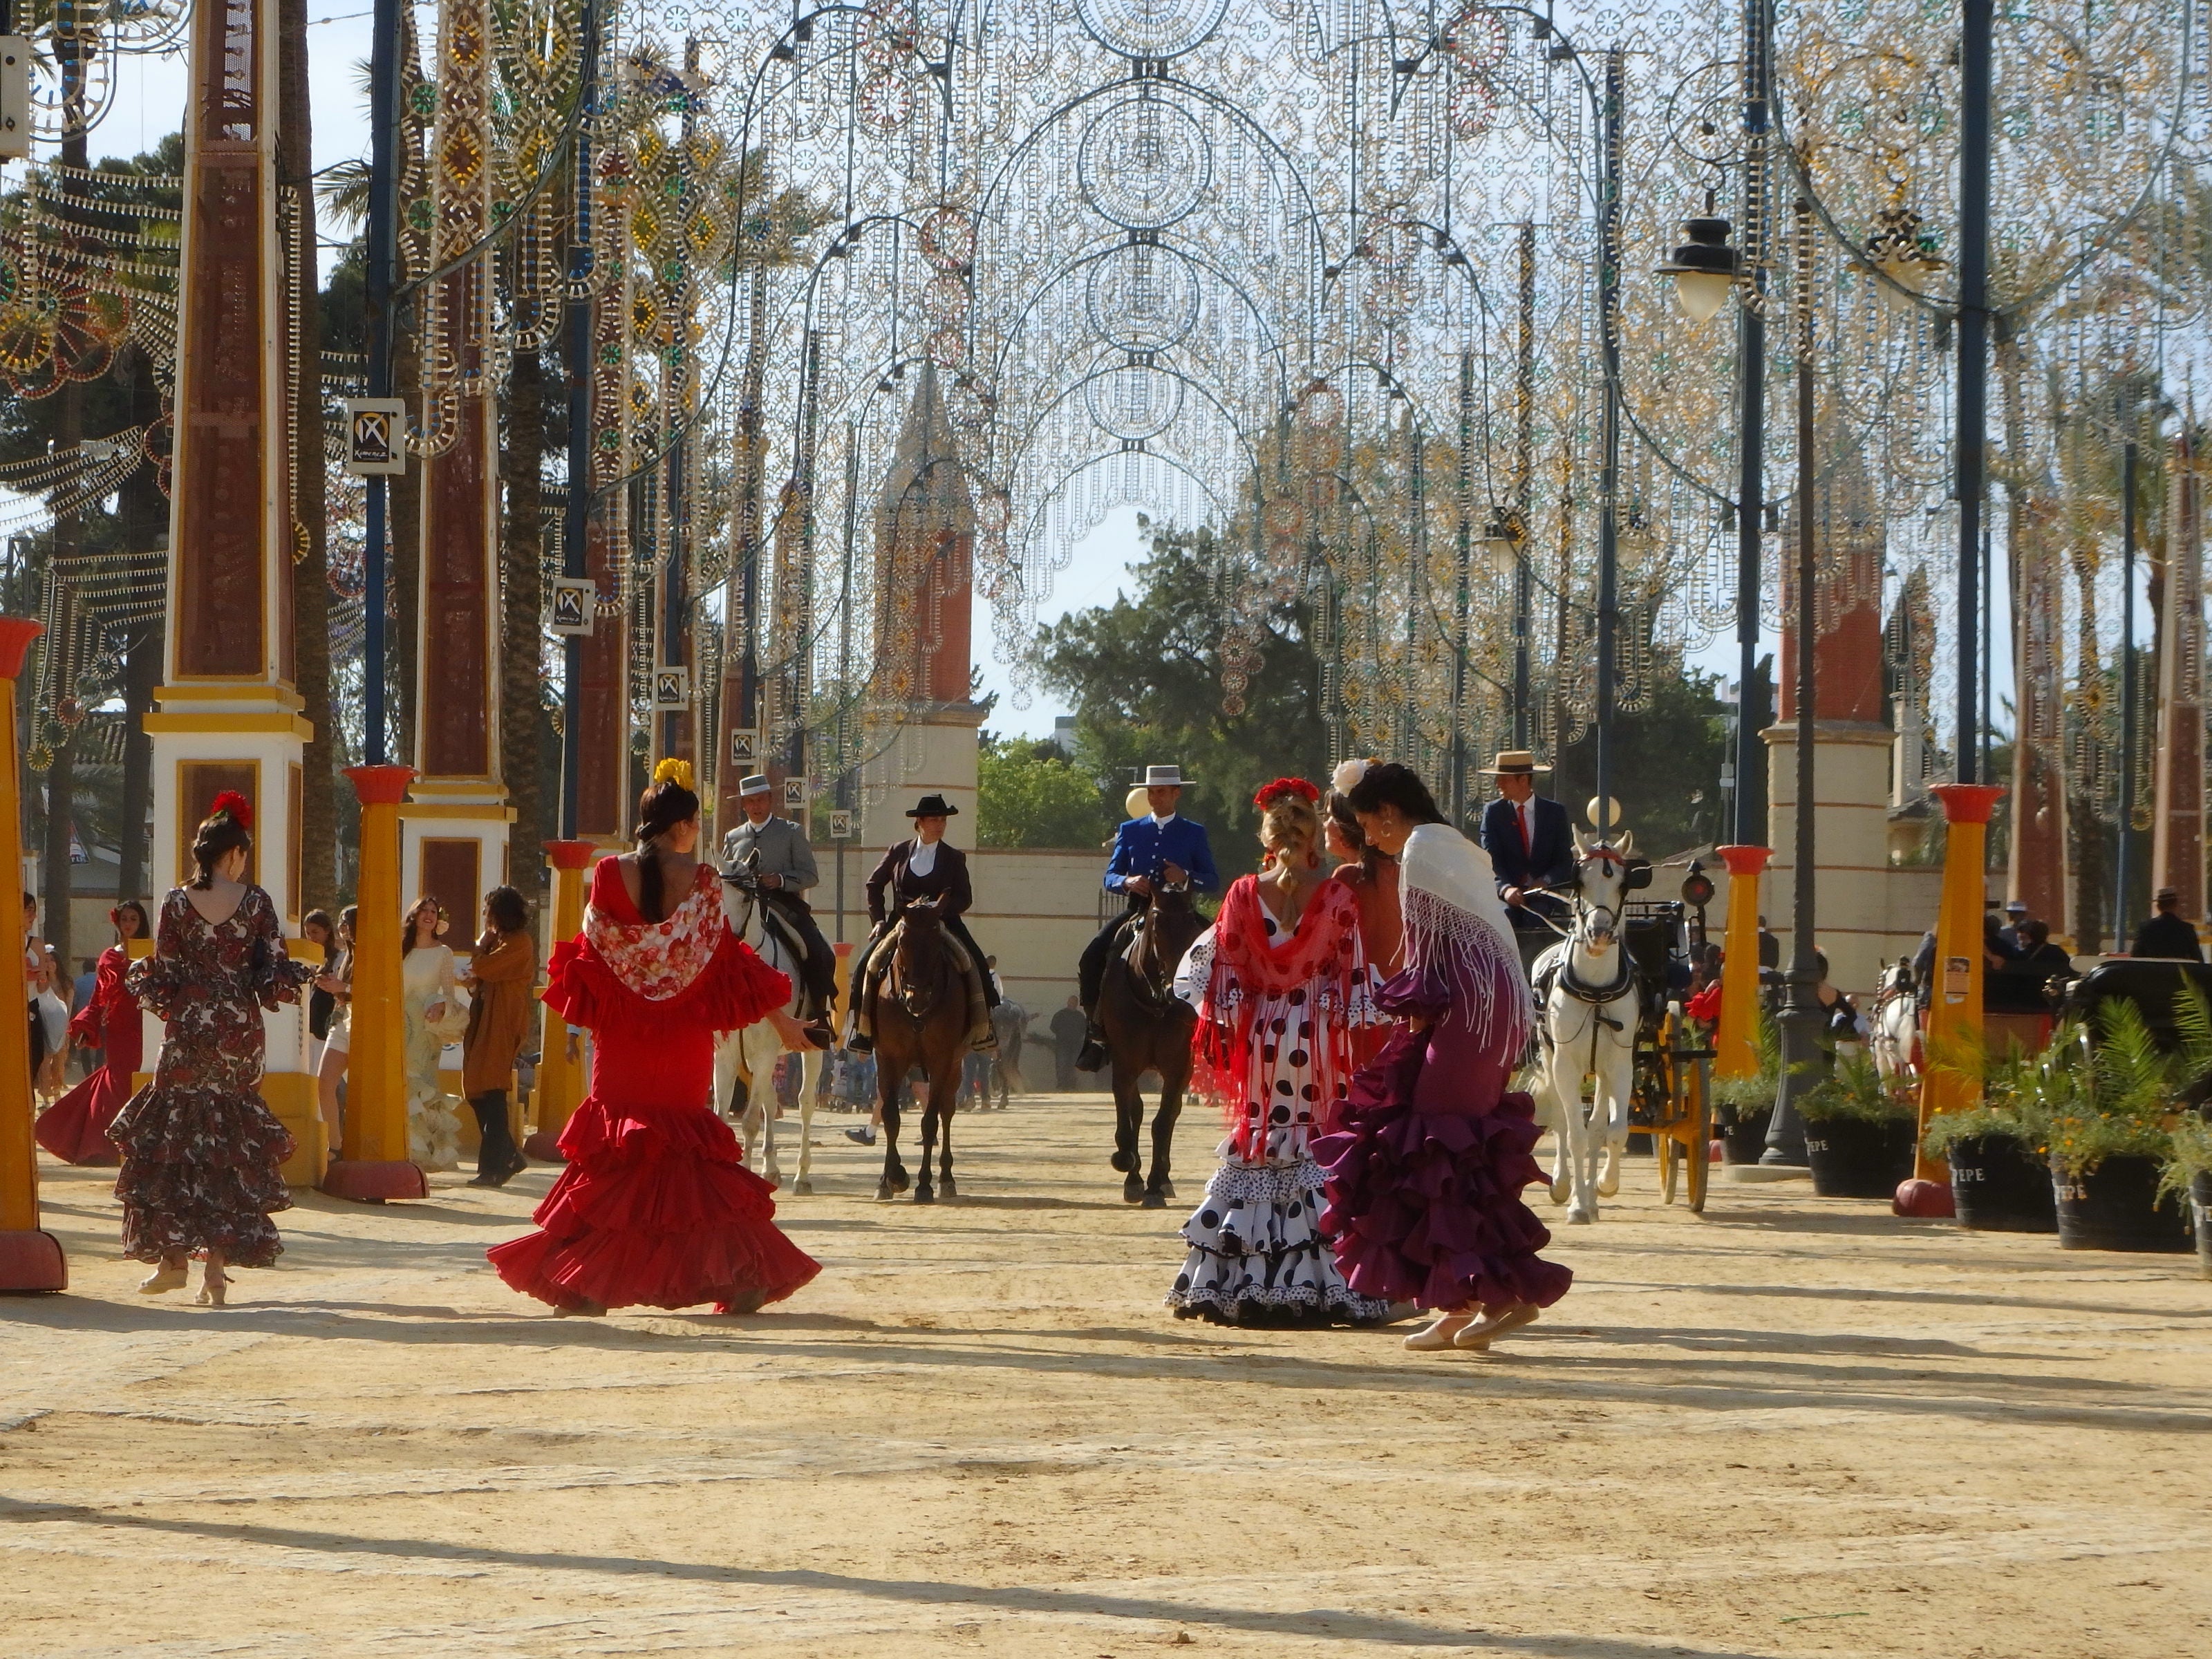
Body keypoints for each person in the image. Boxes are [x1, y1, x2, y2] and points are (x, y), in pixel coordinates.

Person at [488, 759, 822, 1316]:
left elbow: (592, 955)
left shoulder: (608, 874)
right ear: (686, 826)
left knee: (615, 1154)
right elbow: (725, 960)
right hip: (685, 1036)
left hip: (624, 1036)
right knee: (689, 1158)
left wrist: (585, 1021)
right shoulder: (706, 883)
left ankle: (584, 1280)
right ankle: (738, 1275)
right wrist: (785, 1022)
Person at [1315, 760, 1572, 1353]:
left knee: (1436, 1149)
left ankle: (1492, 1297)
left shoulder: (1420, 854)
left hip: (1469, 1013)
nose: (1369, 839)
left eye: (1369, 827)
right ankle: (1465, 1301)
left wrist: (1406, 1011)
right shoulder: (1448, 843)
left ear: (1387, 814)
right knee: (1456, 1154)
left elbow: (1426, 955)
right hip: (1491, 1010)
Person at [1165, 777, 1389, 1327]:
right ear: (1315, 835)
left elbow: (1220, 976)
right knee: (1315, 1138)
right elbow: (1352, 984)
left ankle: (1245, 1277)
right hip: (1313, 1038)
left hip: (1265, 1038)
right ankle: (1321, 1279)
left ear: (1267, 835)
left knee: (1262, 1137)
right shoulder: (1336, 896)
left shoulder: (1243, 894)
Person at [111, 792, 314, 1306]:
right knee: (228, 1145)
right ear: (235, 854)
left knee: (175, 1136)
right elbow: (272, 976)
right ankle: (216, 1274)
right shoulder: (257, 902)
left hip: (188, 1029)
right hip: (239, 1033)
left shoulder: (175, 903)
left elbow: (165, 974)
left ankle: (173, 1258)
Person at [1076, 765, 1220, 1070]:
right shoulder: (1130, 830)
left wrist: (1186, 877)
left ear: (1176, 794)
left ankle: (1217, 1034)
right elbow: (1110, 876)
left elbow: (1213, 880)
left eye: (1162, 792)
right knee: (1091, 957)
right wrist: (1127, 882)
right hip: (1138, 909)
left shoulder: (1194, 832)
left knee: (1224, 956)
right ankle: (1098, 1031)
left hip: (1181, 913)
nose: (1155, 798)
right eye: (1151, 792)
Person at [847, 794, 997, 1053]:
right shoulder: (899, 851)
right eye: (934, 819)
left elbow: (965, 897)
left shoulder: (953, 857)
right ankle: (862, 1030)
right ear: (920, 822)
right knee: (867, 964)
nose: (939, 825)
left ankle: (983, 1027)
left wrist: (936, 911)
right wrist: (879, 921)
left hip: (943, 923)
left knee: (976, 963)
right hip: (902, 924)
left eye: (943, 820)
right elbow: (873, 885)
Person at [35, 901, 148, 1166]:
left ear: (141, 922)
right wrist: (88, 1024)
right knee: (119, 1079)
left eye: (133, 918)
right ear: (118, 924)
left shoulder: (154, 953)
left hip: (149, 1022)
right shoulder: (110, 956)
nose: (129, 924)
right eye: (124, 920)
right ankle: (103, 1146)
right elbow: (100, 996)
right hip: (120, 1025)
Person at [720, 773, 838, 1022]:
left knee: (813, 945)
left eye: (760, 800)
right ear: (743, 805)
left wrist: (781, 880)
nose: (756, 806)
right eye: (750, 802)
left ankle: (819, 1013)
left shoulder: (791, 832)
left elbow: (811, 875)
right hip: (743, 907)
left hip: (782, 904)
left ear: (771, 800)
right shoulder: (733, 838)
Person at [460, 885, 536, 1188]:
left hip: (503, 1020)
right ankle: (509, 1155)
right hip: (484, 1017)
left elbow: (484, 969)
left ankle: (495, 1166)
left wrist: (481, 945)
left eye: (488, 909)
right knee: (477, 1087)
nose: (484, 915)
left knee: (492, 1088)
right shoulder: (500, 940)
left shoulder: (520, 942)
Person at [1472, 750, 1574, 974]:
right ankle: (1501, 978)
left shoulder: (1554, 813)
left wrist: (1545, 881)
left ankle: (1536, 977)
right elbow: (1490, 860)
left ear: (1524, 780)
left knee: (1536, 918)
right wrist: (1505, 889)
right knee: (1503, 918)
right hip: (1507, 898)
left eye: (1504, 778)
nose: (1498, 783)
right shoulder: (1494, 813)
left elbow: (1565, 862)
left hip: (1543, 899)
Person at [1325, 773, 1403, 1069]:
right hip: (1397, 1001)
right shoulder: (1396, 871)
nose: (1324, 824)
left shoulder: (1346, 878)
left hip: (1359, 1007)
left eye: (1329, 816)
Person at [400, 897, 465, 1171]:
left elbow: (450, 996)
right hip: (397, 1026)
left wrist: (440, 1006)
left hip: (425, 1031)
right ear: (413, 916)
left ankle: (420, 1156)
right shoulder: (399, 949)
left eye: (434, 912)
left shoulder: (444, 953)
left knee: (418, 1085)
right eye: (424, 911)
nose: (429, 915)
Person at [312, 908, 355, 1162]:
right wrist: (334, 988)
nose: (343, 929)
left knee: (360, 1091)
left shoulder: (374, 954)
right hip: (342, 1024)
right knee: (325, 1082)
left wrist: (344, 988)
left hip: (365, 1026)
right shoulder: (346, 957)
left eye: (348, 924)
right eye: (341, 924)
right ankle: (336, 1146)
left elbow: (380, 992)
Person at [2130, 887, 2204, 962]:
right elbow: (2197, 960)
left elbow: (2135, 958)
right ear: (2175, 904)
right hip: (2178, 972)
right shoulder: (2187, 929)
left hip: (2152, 973)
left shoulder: (2145, 928)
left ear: (2158, 906)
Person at [301, 908, 337, 1051]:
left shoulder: (338, 959)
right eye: (308, 933)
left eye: (315, 932)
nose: (311, 938)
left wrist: (318, 977)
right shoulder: (307, 959)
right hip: (309, 1028)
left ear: (327, 931)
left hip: (326, 1027)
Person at [1049, 994, 1087, 1090]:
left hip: (1076, 1045)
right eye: (1071, 1001)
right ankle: (1062, 1085)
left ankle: (1072, 1086)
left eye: (1074, 1002)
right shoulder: (1060, 1015)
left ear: (1077, 1004)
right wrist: (1062, 1035)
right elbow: (1053, 1027)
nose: (1072, 1003)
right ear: (1068, 1002)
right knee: (1062, 1065)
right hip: (1062, 1045)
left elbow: (1084, 1030)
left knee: (1074, 1066)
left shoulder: (1080, 1017)